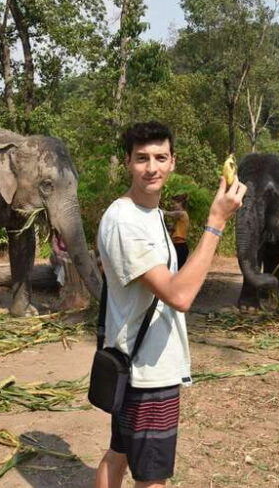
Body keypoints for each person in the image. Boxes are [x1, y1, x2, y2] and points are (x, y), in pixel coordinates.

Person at [94, 122, 247, 487]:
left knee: (118, 454)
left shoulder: (150, 215)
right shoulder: (124, 220)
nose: (152, 167)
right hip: (146, 371)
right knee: (151, 477)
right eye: (142, 158)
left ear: (173, 162)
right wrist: (216, 222)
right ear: (128, 162)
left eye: (160, 158)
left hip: (134, 361)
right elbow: (179, 296)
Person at [164, 194, 190, 269]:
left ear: (180, 203)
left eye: (175, 203)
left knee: (177, 270)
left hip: (180, 247)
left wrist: (155, 210)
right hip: (176, 245)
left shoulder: (182, 213)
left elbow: (167, 213)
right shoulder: (179, 219)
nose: (173, 206)